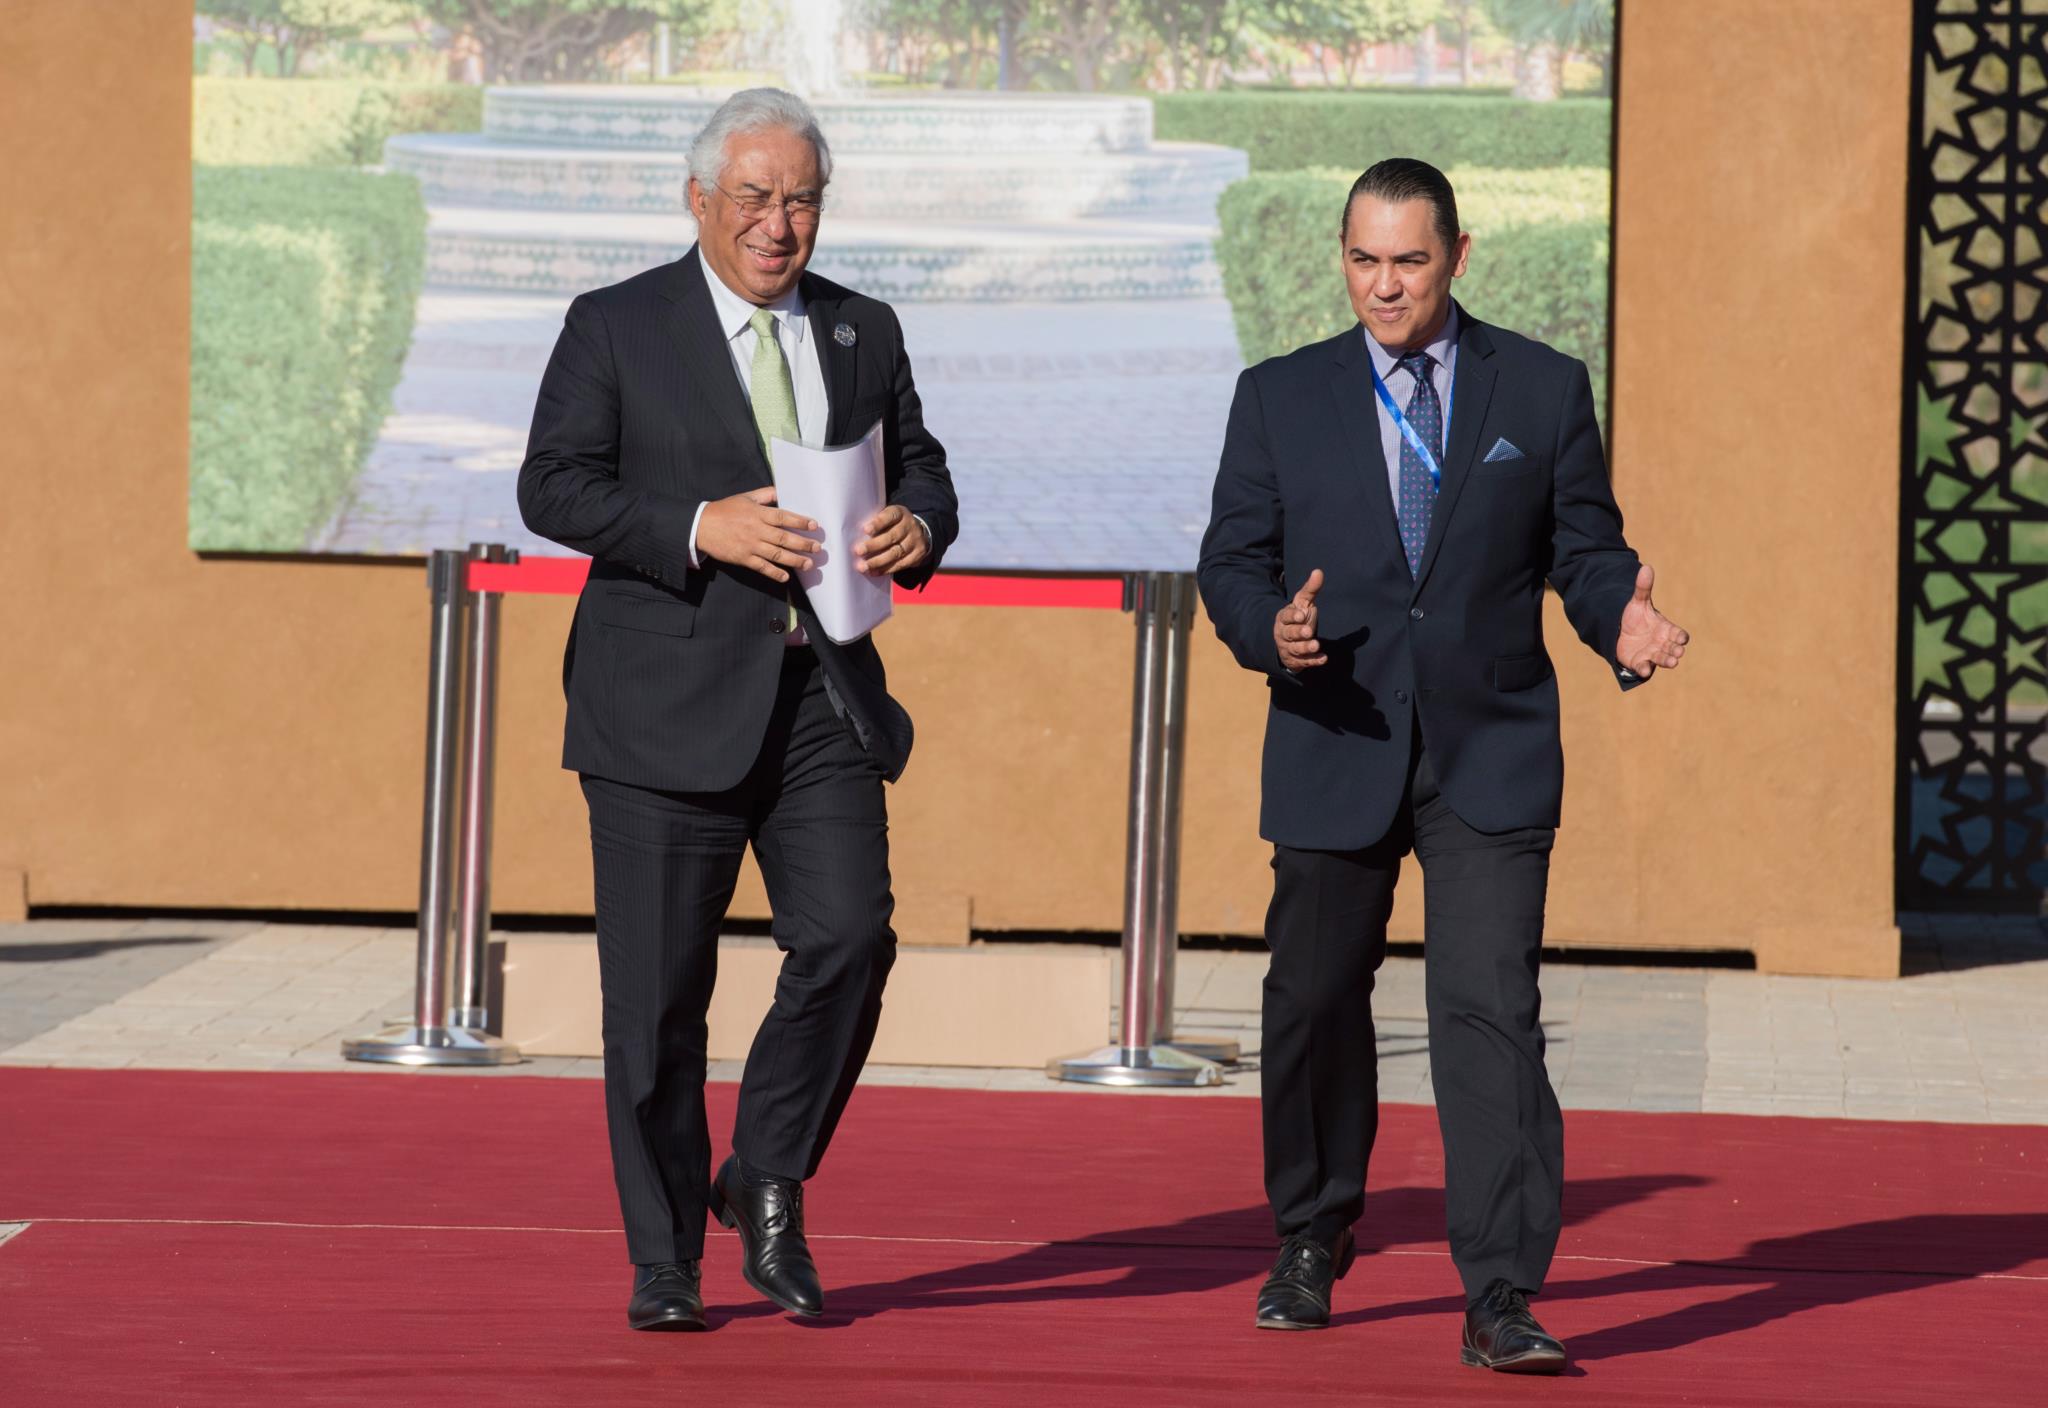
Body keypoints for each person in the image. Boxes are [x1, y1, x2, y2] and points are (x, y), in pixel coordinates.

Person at [1196, 158, 1688, 1374]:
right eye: (1362, 260)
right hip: (1335, 737)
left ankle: (1500, 1292)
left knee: (1487, 1010)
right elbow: (1231, 563)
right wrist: (1269, 631)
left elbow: (1584, 549)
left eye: (1408, 262)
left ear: (1457, 258)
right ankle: (1309, 1233)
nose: (1384, 286)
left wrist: (1616, 617)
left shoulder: (1541, 385)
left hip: (1488, 749)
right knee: (1312, 999)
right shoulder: (1278, 395)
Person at [517, 87, 958, 1332]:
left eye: (801, 200)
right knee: (659, 1002)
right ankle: (664, 1261)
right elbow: (551, 484)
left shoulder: (861, 328)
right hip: (658, 706)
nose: (779, 223)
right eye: (755, 197)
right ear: (699, 199)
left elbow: (921, 466)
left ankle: (763, 1170)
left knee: (851, 939)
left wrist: (917, 523)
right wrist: (695, 525)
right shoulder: (615, 324)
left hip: (819, 695)